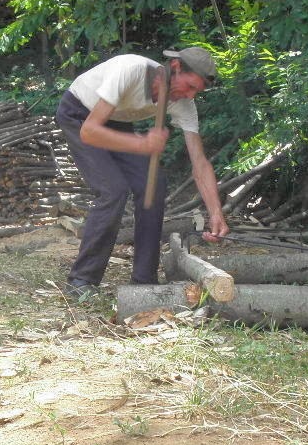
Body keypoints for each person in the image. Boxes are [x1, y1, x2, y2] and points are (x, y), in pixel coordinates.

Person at [55, 47, 229, 298]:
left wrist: (215, 213)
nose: (189, 96)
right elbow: (89, 132)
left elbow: (199, 162)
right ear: (176, 67)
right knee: (112, 189)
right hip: (80, 115)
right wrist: (141, 144)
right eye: (190, 86)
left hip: (117, 121)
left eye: (196, 92)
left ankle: (144, 279)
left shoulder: (183, 103)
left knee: (154, 183)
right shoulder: (130, 70)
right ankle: (81, 281)